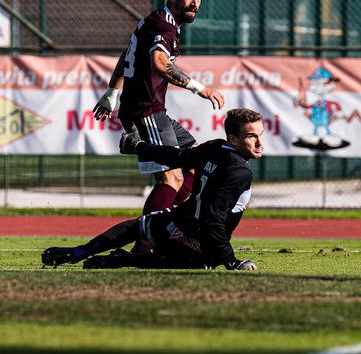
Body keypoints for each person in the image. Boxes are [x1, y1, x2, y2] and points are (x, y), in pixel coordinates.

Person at [41, 108, 264, 271]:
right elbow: (212, 218)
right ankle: (125, 260)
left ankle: (81, 251)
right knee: (193, 262)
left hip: (178, 222)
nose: (259, 143)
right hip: (201, 243)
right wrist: (230, 260)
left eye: (260, 135)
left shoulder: (215, 148)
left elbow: (177, 157)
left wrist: (139, 147)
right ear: (233, 139)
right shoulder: (240, 172)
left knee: (142, 225)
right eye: (252, 136)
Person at [93, 0, 225, 217]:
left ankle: (170, 223)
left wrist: (112, 92)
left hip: (153, 111)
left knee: (194, 163)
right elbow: (160, 63)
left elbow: (126, 55)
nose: (195, 4)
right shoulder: (163, 25)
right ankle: (147, 242)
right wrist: (200, 88)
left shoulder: (157, 21)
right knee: (171, 178)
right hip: (146, 111)